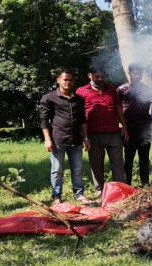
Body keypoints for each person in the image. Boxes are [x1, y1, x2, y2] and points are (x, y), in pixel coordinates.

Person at [40, 70, 91, 204]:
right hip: (58, 140)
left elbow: (82, 120)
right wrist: (47, 139)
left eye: (71, 80)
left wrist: (86, 138)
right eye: (65, 79)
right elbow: (44, 120)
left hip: (76, 140)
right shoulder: (49, 98)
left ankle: (79, 194)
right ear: (58, 80)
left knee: (78, 170)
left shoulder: (79, 100)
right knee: (57, 170)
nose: (68, 82)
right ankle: (56, 196)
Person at [76, 65, 128, 196]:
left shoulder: (110, 89)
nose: (100, 79)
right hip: (93, 134)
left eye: (102, 77)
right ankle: (100, 191)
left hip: (113, 132)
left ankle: (120, 190)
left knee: (118, 163)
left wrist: (124, 127)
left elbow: (117, 108)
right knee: (96, 164)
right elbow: (79, 116)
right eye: (96, 76)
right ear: (89, 75)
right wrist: (84, 136)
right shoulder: (81, 91)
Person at [116, 63, 152, 187]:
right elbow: (117, 109)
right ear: (129, 73)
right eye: (135, 73)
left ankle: (145, 183)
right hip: (129, 128)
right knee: (129, 157)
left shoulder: (148, 89)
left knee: (144, 157)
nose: (137, 75)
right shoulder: (121, 89)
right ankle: (127, 184)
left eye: (140, 73)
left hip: (145, 127)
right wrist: (122, 126)